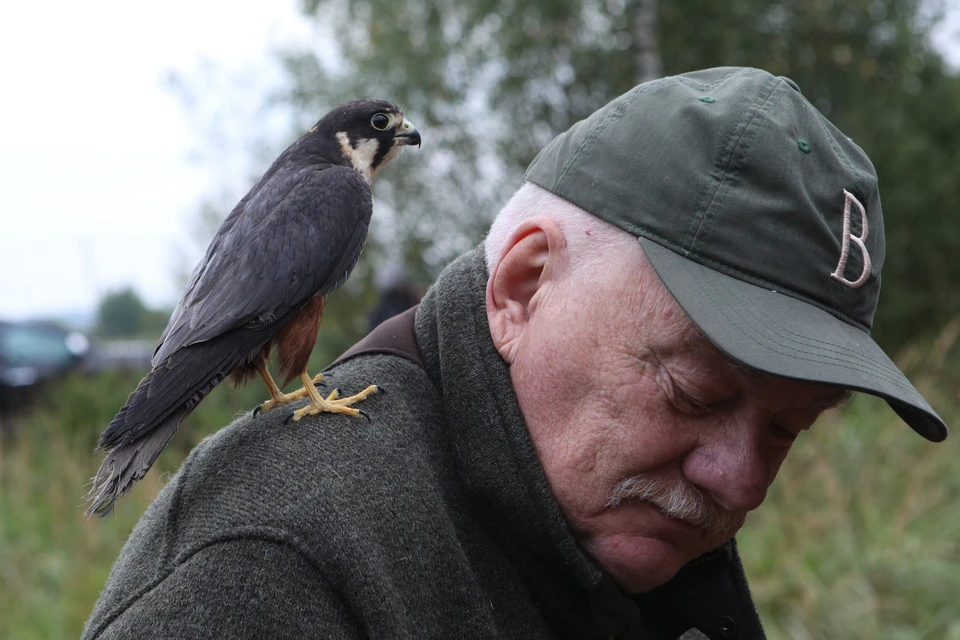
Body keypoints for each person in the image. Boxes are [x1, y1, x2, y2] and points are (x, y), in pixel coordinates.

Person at [82, 67, 947, 640]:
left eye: (788, 431)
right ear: (523, 286)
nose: (741, 480)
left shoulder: (616, 518)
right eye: (692, 393)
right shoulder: (263, 576)